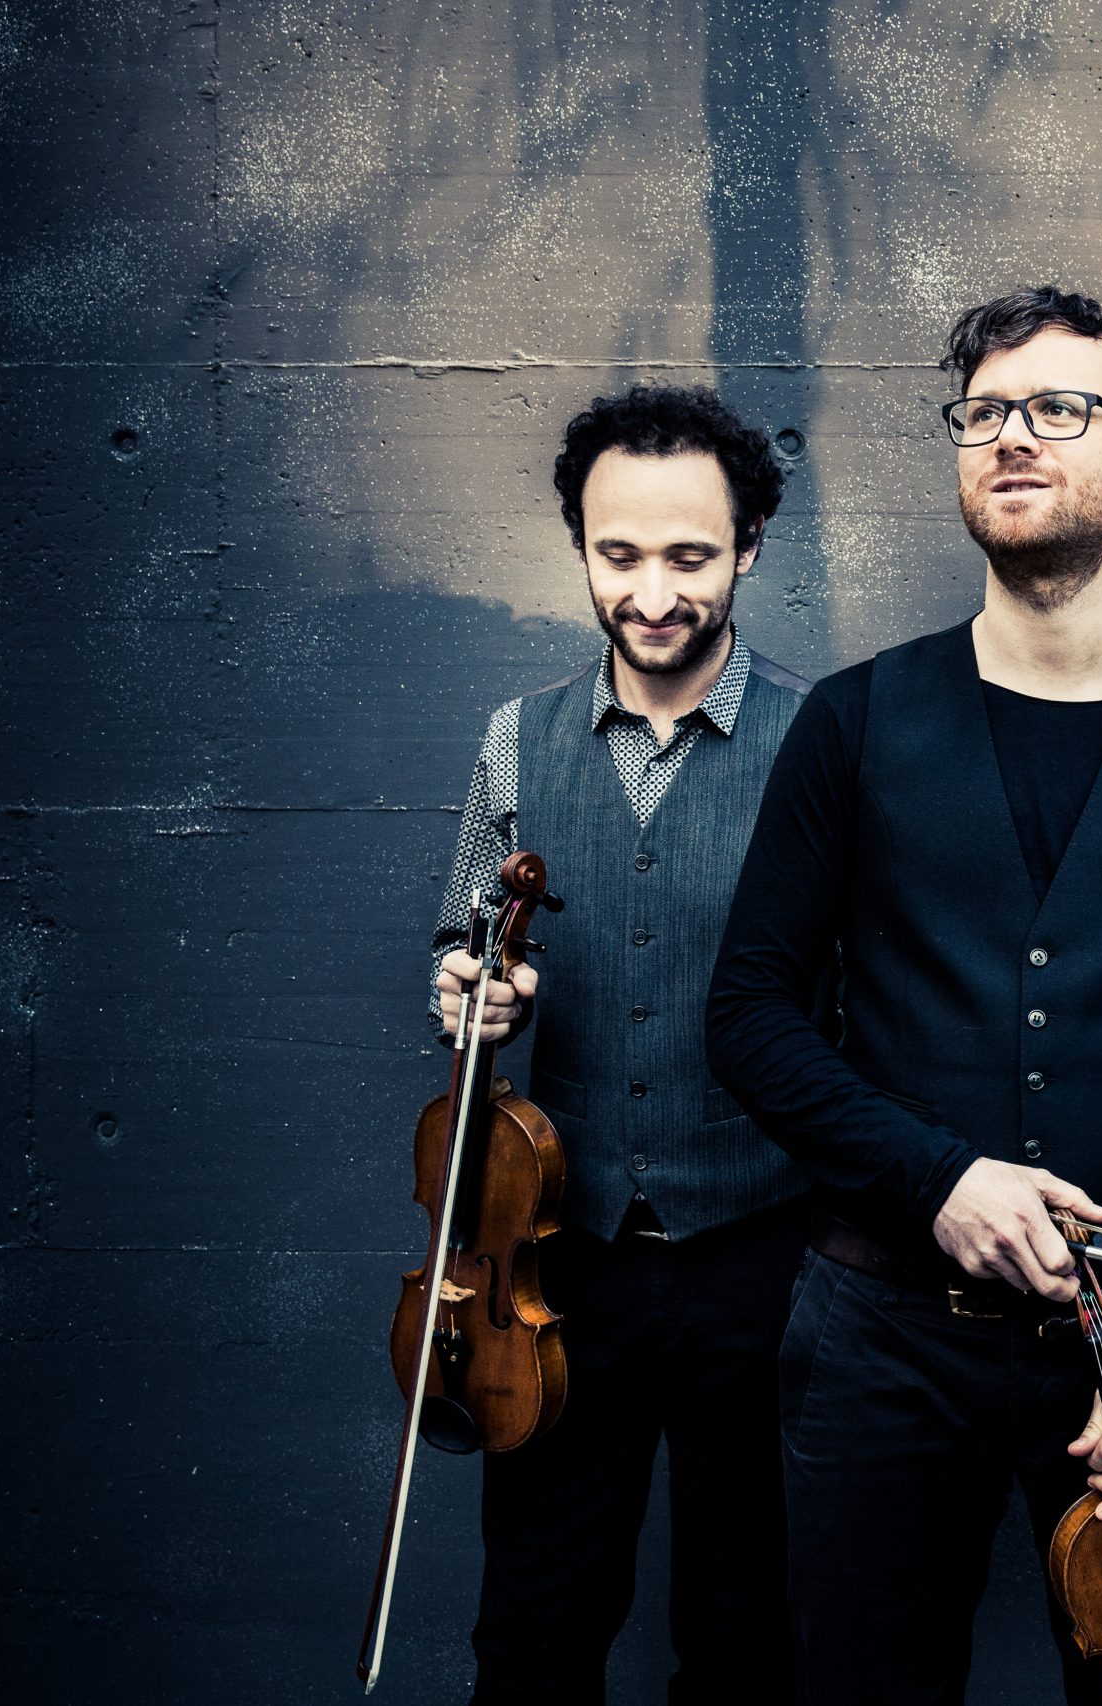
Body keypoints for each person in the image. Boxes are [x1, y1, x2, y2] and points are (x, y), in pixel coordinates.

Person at [704, 285, 1102, 1706]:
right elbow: (749, 1014)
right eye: (984, 413)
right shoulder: (852, 721)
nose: (1013, 437)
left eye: (1058, 408)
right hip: (875, 1343)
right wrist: (938, 1179)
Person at [426, 385, 812, 1705]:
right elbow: (464, 932)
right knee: (534, 1627)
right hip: (557, 1265)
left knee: (745, 1632)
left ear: (748, 545)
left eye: (690, 556)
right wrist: (466, 991)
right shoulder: (514, 739)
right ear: (581, 550)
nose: (652, 594)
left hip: (763, 1254)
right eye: (619, 555)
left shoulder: (824, 737)